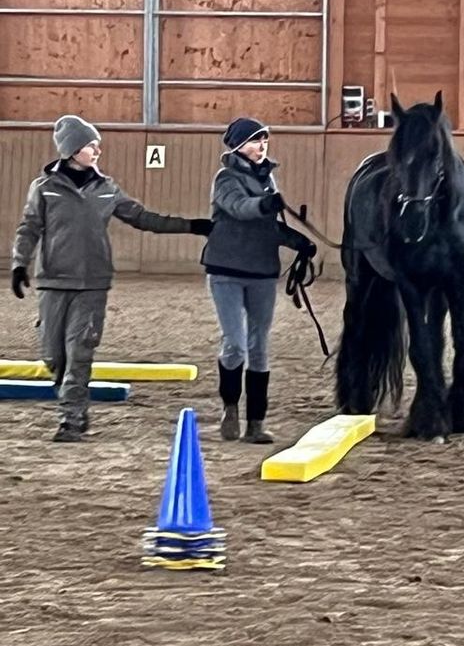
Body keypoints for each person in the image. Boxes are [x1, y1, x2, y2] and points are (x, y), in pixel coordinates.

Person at [11, 114, 213, 443]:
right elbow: (29, 228)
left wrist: (191, 226)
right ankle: (72, 403)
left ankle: (72, 420)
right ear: (72, 149)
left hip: (93, 284)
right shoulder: (44, 188)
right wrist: (20, 263)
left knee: (80, 351)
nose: (97, 150)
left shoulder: (107, 189)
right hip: (53, 282)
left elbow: (144, 218)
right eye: (91, 145)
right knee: (53, 356)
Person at [201, 116, 316, 443]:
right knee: (235, 344)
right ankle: (230, 407)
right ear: (238, 145)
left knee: (259, 346)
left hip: (262, 271)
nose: (261, 146)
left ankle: (255, 422)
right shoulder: (225, 178)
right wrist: (266, 203)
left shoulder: (269, 180)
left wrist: (298, 242)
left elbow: (268, 224)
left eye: (264, 140)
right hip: (226, 270)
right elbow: (240, 208)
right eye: (255, 140)